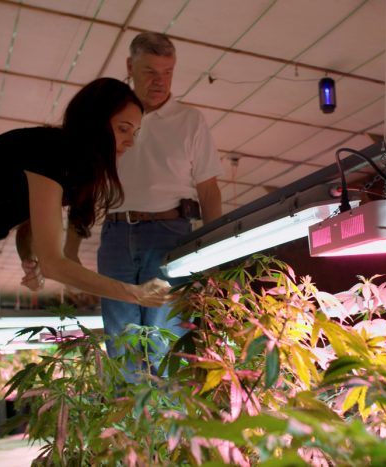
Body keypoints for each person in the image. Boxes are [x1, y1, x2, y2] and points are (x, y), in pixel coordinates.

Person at [0, 77, 173, 467]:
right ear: (96, 122)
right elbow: (57, 262)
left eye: (135, 132)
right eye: (123, 128)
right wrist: (134, 293)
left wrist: (29, 257)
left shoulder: (72, 168)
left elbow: (30, 227)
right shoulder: (49, 151)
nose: (130, 140)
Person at [71, 32, 223, 383]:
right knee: (122, 340)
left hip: (170, 236)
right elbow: (84, 185)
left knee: (165, 339)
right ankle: (131, 432)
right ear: (130, 67)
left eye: (167, 72)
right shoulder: (110, 119)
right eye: (150, 70)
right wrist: (70, 248)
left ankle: (169, 431)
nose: (160, 81)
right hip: (115, 234)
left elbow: (209, 190)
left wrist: (215, 252)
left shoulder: (190, 120)